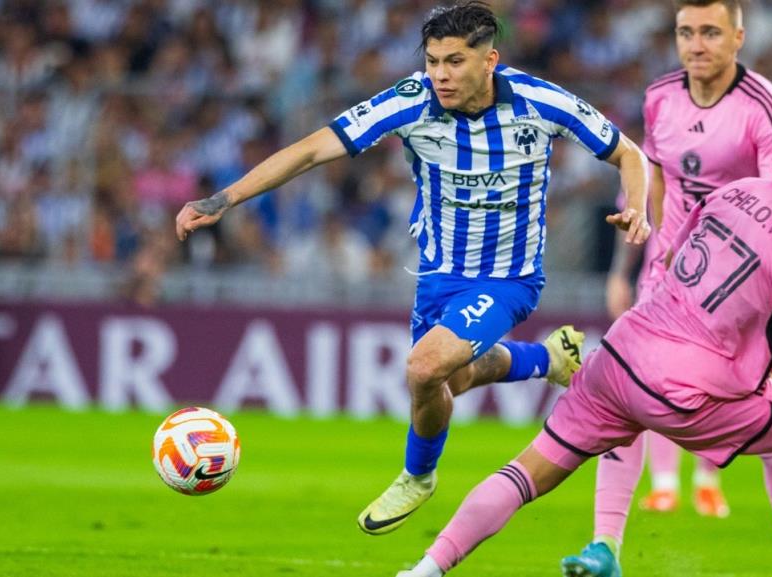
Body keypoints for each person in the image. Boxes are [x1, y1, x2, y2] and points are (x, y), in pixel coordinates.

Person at [174, 1, 650, 536]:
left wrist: (637, 207)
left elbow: (629, 153)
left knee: (424, 368)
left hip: (508, 279)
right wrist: (224, 198)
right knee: (455, 377)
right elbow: (311, 151)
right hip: (436, 278)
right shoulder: (411, 101)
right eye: (433, 61)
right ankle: (549, 359)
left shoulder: (540, 101)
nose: (440, 75)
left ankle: (418, 476)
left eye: (454, 62)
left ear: (489, 60)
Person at [394, 117, 772, 577]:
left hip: (619, 356)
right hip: (684, 393)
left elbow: (671, 258)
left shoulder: (737, 191)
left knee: (525, 474)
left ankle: (426, 568)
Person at [591, 0, 772, 574]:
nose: (696, 44)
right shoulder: (661, 95)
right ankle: (605, 546)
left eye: (710, 32)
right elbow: (653, 177)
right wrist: (635, 266)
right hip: (670, 279)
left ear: (739, 37)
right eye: (686, 32)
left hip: (743, 293)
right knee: (621, 394)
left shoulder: (767, 112)